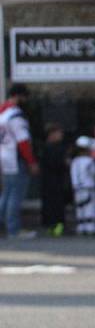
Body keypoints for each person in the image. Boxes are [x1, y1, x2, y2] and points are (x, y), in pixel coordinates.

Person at [0, 84, 39, 238]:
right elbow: (23, 141)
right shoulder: (16, 116)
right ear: (18, 96)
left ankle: (5, 226)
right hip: (16, 159)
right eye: (24, 97)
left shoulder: (3, 113)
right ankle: (13, 229)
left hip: (5, 158)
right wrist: (31, 161)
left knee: (7, 194)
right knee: (15, 195)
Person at [38, 123, 68, 237]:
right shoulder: (50, 148)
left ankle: (53, 226)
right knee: (54, 204)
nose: (61, 136)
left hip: (52, 181)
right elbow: (55, 164)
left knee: (54, 204)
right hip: (52, 181)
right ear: (51, 134)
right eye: (58, 133)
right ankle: (55, 226)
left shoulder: (47, 148)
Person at [70, 136, 95, 235]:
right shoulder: (90, 161)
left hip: (77, 188)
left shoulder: (74, 161)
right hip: (88, 188)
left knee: (80, 208)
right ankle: (90, 228)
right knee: (90, 207)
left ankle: (81, 227)